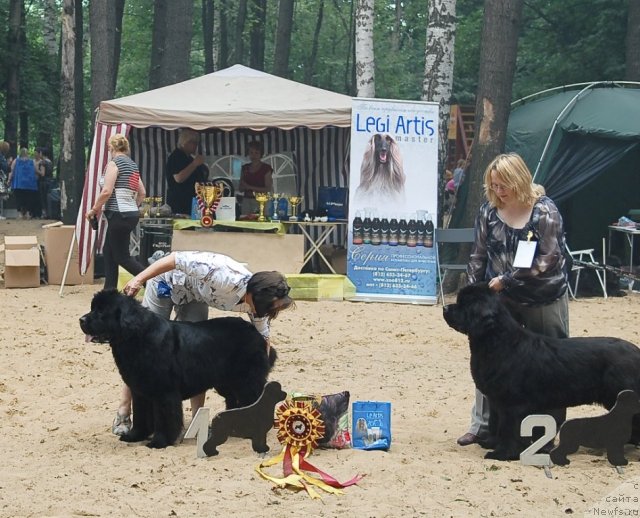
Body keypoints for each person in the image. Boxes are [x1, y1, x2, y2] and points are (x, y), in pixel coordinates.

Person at [110, 251, 294, 436]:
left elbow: (263, 337)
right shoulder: (222, 274)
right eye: (272, 306)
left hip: (196, 296)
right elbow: (174, 259)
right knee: (144, 351)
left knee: (197, 354)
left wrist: (261, 367)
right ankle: (124, 412)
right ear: (256, 294)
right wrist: (139, 279)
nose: (272, 311)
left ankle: (197, 421)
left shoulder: (257, 306)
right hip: (166, 283)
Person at [456, 152, 570, 447]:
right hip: (500, 299)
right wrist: (472, 293)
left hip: (543, 296)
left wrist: (504, 280)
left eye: (503, 185)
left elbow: (548, 259)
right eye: (493, 185)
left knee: (552, 362)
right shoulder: (488, 211)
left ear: (519, 180)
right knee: (488, 358)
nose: (498, 191)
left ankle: (548, 429)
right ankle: (482, 425)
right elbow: (478, 255)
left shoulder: (544, 211)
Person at [85, 134, 146, 291]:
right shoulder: (132, 165)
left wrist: (94, 209)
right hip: (130, 214)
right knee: (109, 252)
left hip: (119, 214)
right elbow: (142, 193)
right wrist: (132, 206)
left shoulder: (114, 164)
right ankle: (109, 291)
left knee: (122, 257)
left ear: (111, 148)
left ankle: (153, 282)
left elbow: (106, 191)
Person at [166, 129, 208, 216]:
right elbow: (179, 178)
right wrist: (194, 164)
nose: (196, 145)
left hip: (193, 201)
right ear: (184, 142)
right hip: (180, 203)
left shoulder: (189, 158)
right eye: (193, 142)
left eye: (196, 143)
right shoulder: (176, 156)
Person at [239, 140, 273, 214]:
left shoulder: (266, 168)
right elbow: (241, 188)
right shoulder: (245, 168)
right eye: (251, 153)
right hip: (246, 201)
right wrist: (244, 186)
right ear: (248, 153)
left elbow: (268, 188)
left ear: (261, 154)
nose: (253, 155)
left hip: (261, 202)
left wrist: (249, 187)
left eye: (256, 153)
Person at [8, 148, 38, 219]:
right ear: (27, 153)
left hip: (19, 183)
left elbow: (11, 171)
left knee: (19, 198)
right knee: (29, 198)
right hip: (30, 183)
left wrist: (9, 180)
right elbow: (35, 171)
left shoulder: (16, 161)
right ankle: (27, 213)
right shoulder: (32, 161)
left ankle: (19, 213)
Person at [35, 148, 54, 218]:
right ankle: (49, 212)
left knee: (43, 198)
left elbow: (42, 173)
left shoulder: (43, 162)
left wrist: (36, 170)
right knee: (48, 197)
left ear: (42, 154)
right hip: (50, 181)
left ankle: (44, 213)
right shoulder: (50, 162)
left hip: (43, 182)